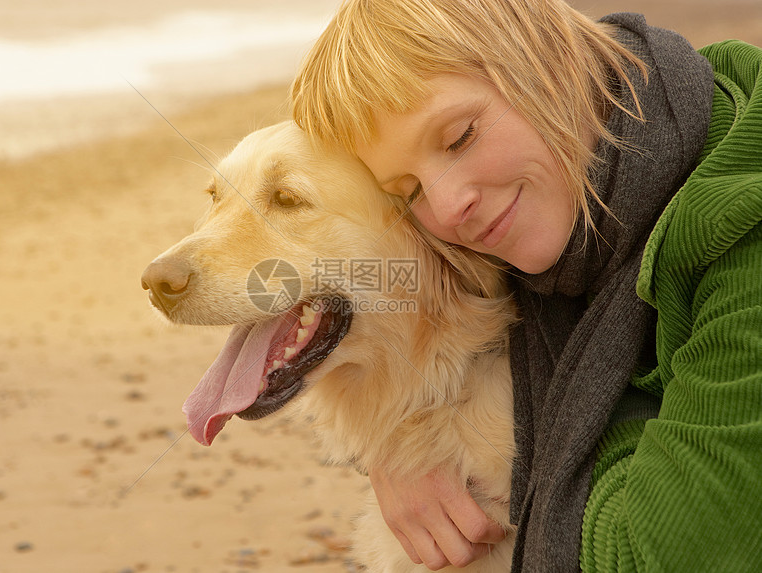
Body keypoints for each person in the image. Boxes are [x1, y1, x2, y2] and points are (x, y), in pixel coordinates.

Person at [290, 0, 762, 571]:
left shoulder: (741, 226)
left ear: (547, 60)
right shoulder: (559, 233)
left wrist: (498, 457)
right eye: (409, 188)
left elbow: (664, 552)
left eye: (460, 137)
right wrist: (405, 449)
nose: (448, 206)